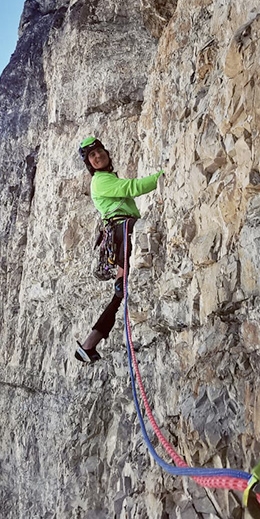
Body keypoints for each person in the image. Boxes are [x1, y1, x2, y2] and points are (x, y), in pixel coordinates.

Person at [75, 135, 162, 363]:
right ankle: (88, 343)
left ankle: (89, 344)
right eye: (92, 156)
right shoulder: (100, 181)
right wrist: (162, 177)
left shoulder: (105, 179)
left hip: (122, 231)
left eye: (99, 151)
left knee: (119, 293)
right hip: (123, 230)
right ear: (89, 164)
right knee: (120, 289)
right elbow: (132, 188)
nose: (97, 156)